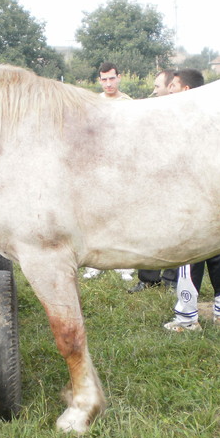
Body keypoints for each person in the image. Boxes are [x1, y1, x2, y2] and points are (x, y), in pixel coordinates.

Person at [162, 69, 220, 332]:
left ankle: (186, 318)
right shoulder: (216, 115)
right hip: (218, 195)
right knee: (217, 252)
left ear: (185, 90)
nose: (168, 90)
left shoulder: (183, 118)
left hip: (194, 198)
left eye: (172, 85)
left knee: (188, 255)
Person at [128, 69, 189, 293]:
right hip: (149, 181)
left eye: (158, 87)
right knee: (146, 227)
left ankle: (172, 278)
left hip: (175, 181)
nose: (154, 91)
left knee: (177, 228)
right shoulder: (149, 112)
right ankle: (147, 278)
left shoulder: (182, 113)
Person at [84, 62, 133, 281]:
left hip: (122, 168)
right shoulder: (93, 103)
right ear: (99, 80)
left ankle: (125, 265)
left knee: (123, 215)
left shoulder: (128, 103)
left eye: (111, 78)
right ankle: (96, 264)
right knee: (96, 215)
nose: (108, 83)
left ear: (119, 78)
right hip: (97, 168)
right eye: (104, 79)